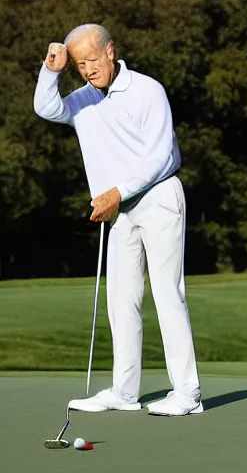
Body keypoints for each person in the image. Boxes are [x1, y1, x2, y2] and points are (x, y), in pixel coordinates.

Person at [33, 24, 202, 416]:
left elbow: (159, 157)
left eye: (92, 60)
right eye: (79, 65)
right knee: (121, 300)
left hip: (158, 198)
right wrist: (51, 70)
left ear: (111, 51)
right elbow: (45, 107)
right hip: (119, 208)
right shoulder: (83, 100)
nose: (88, 70)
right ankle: (124, 391)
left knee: (166, 294)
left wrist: (117, 192)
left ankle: (188, 393)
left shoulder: (147, 90)